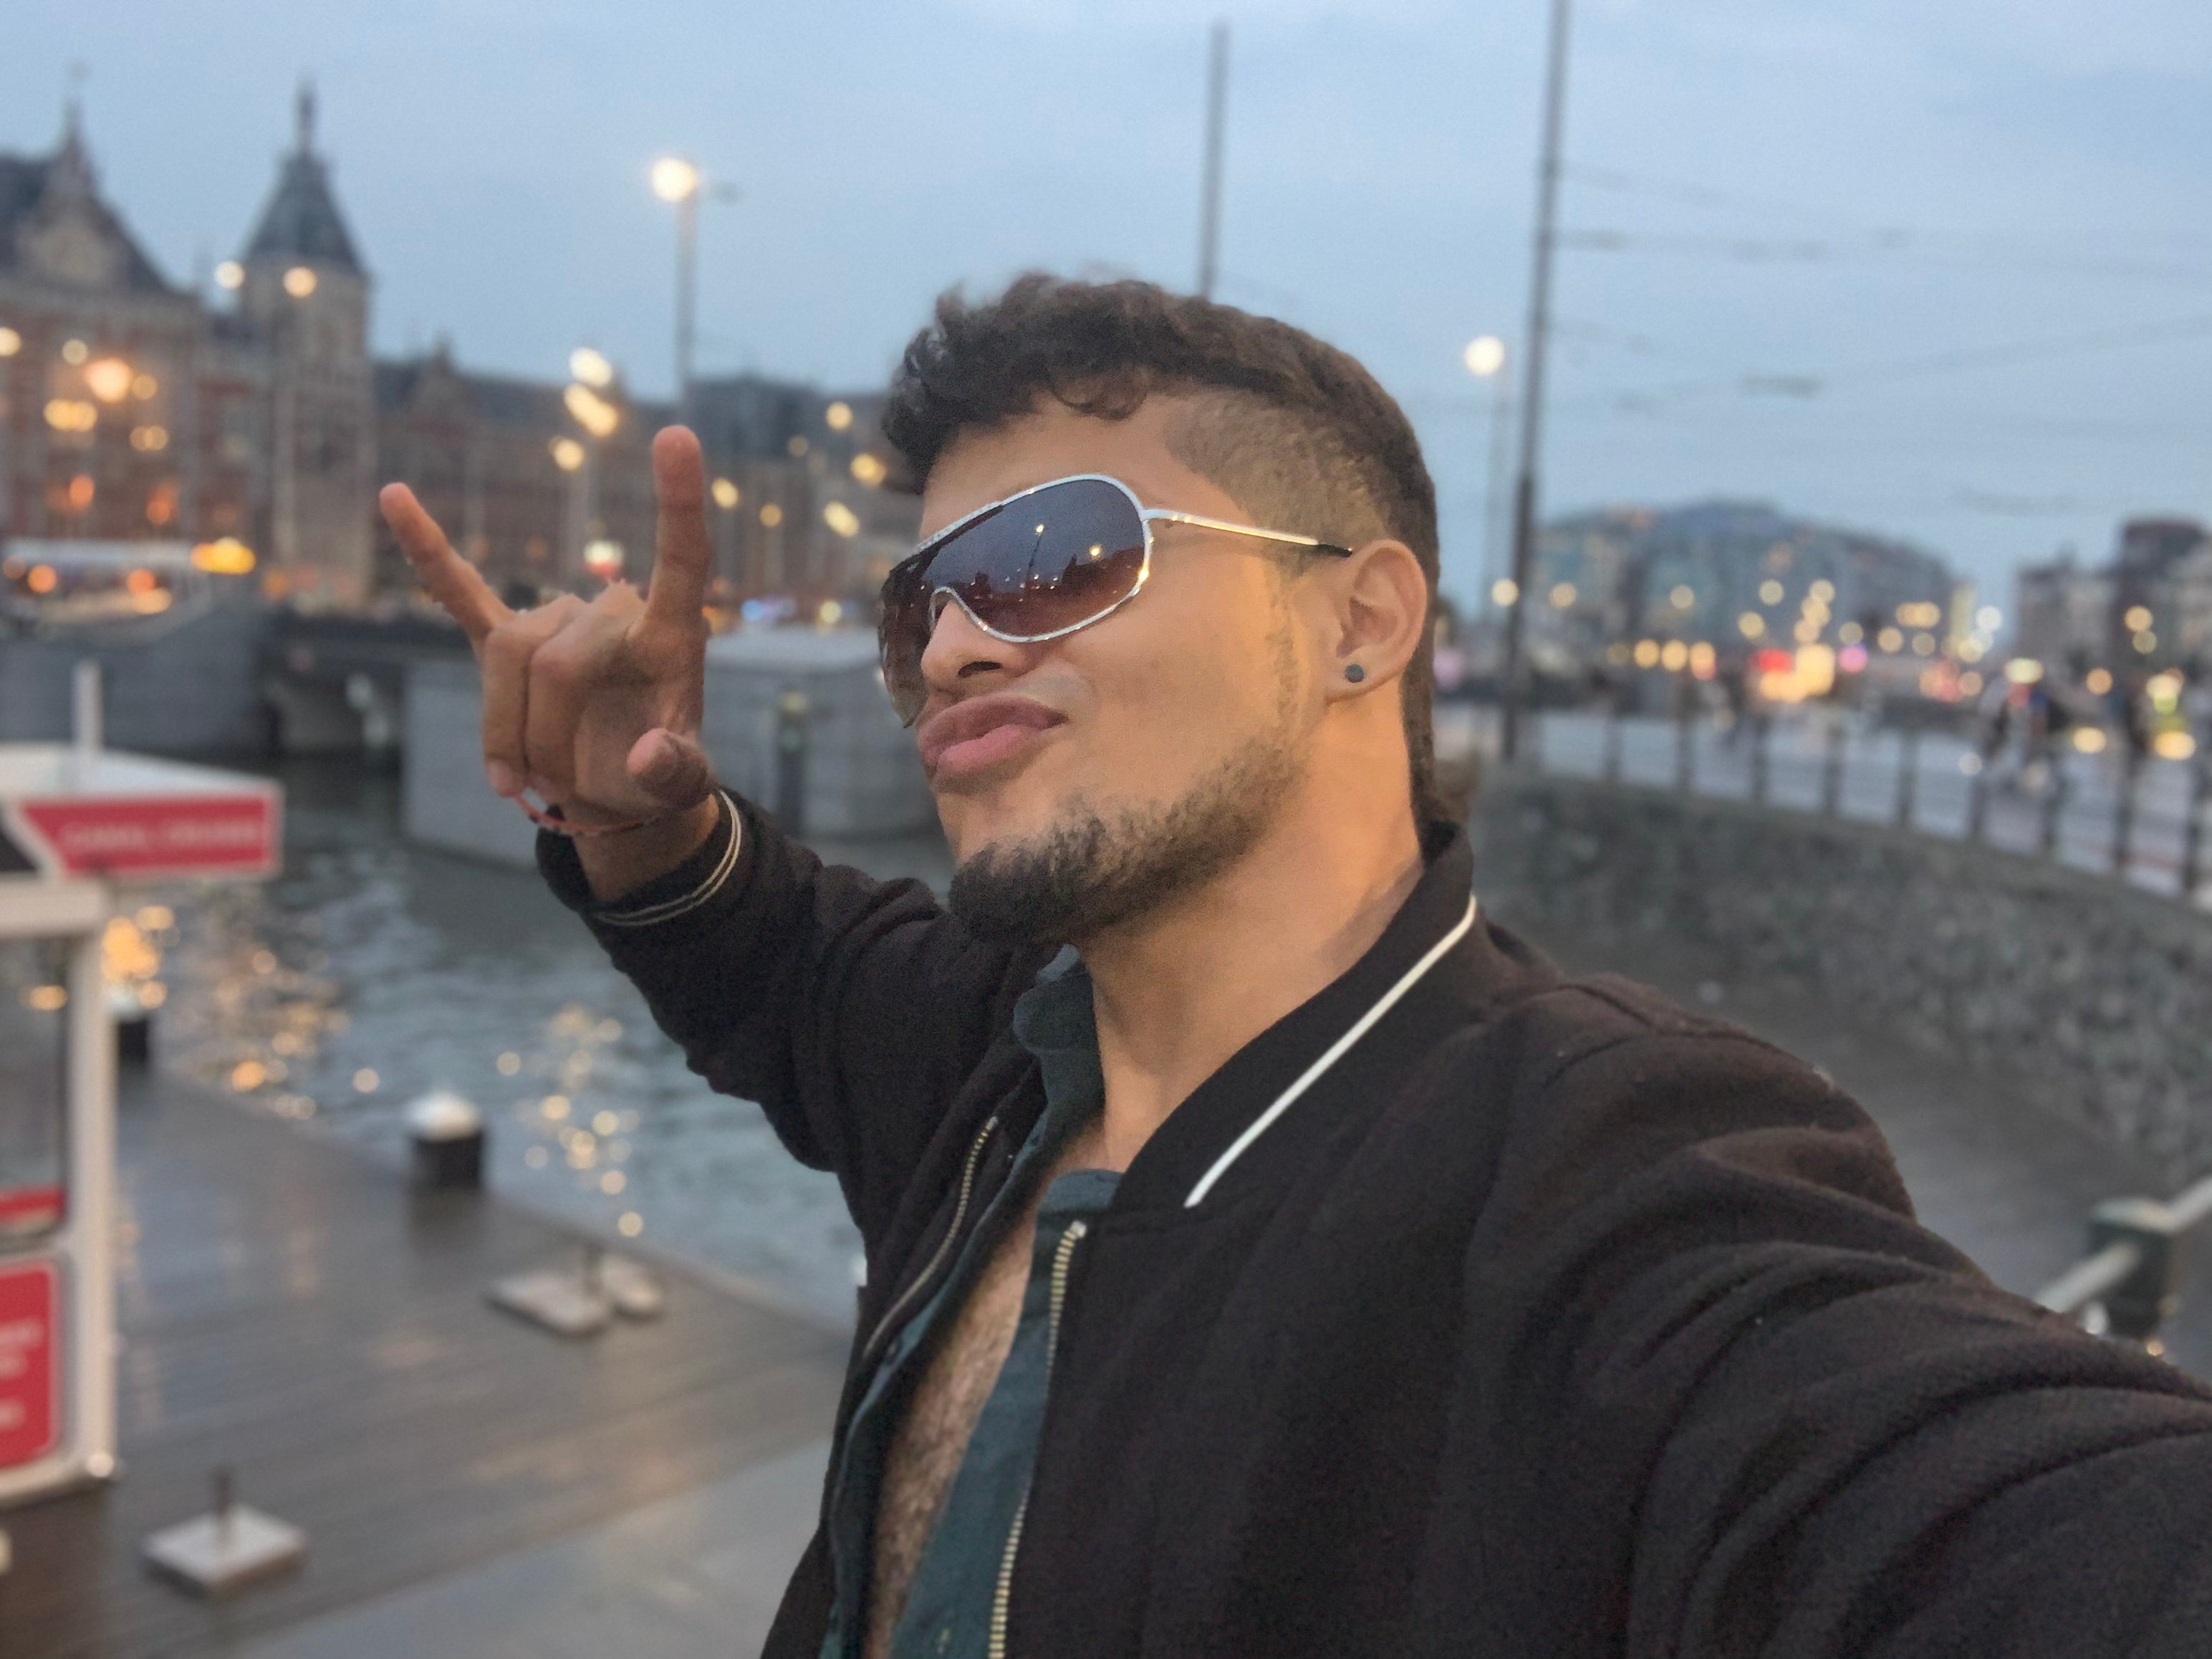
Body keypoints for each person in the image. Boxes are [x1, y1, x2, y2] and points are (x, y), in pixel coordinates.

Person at [381, 276, 2212, 1659]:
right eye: (916, 599)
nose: (946, 649)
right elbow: (782, 960)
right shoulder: (1004, 1061)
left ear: (1360, 619)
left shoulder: (1602, 1186)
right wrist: (623, 814)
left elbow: (1989, 1507)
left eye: (1049, 557)